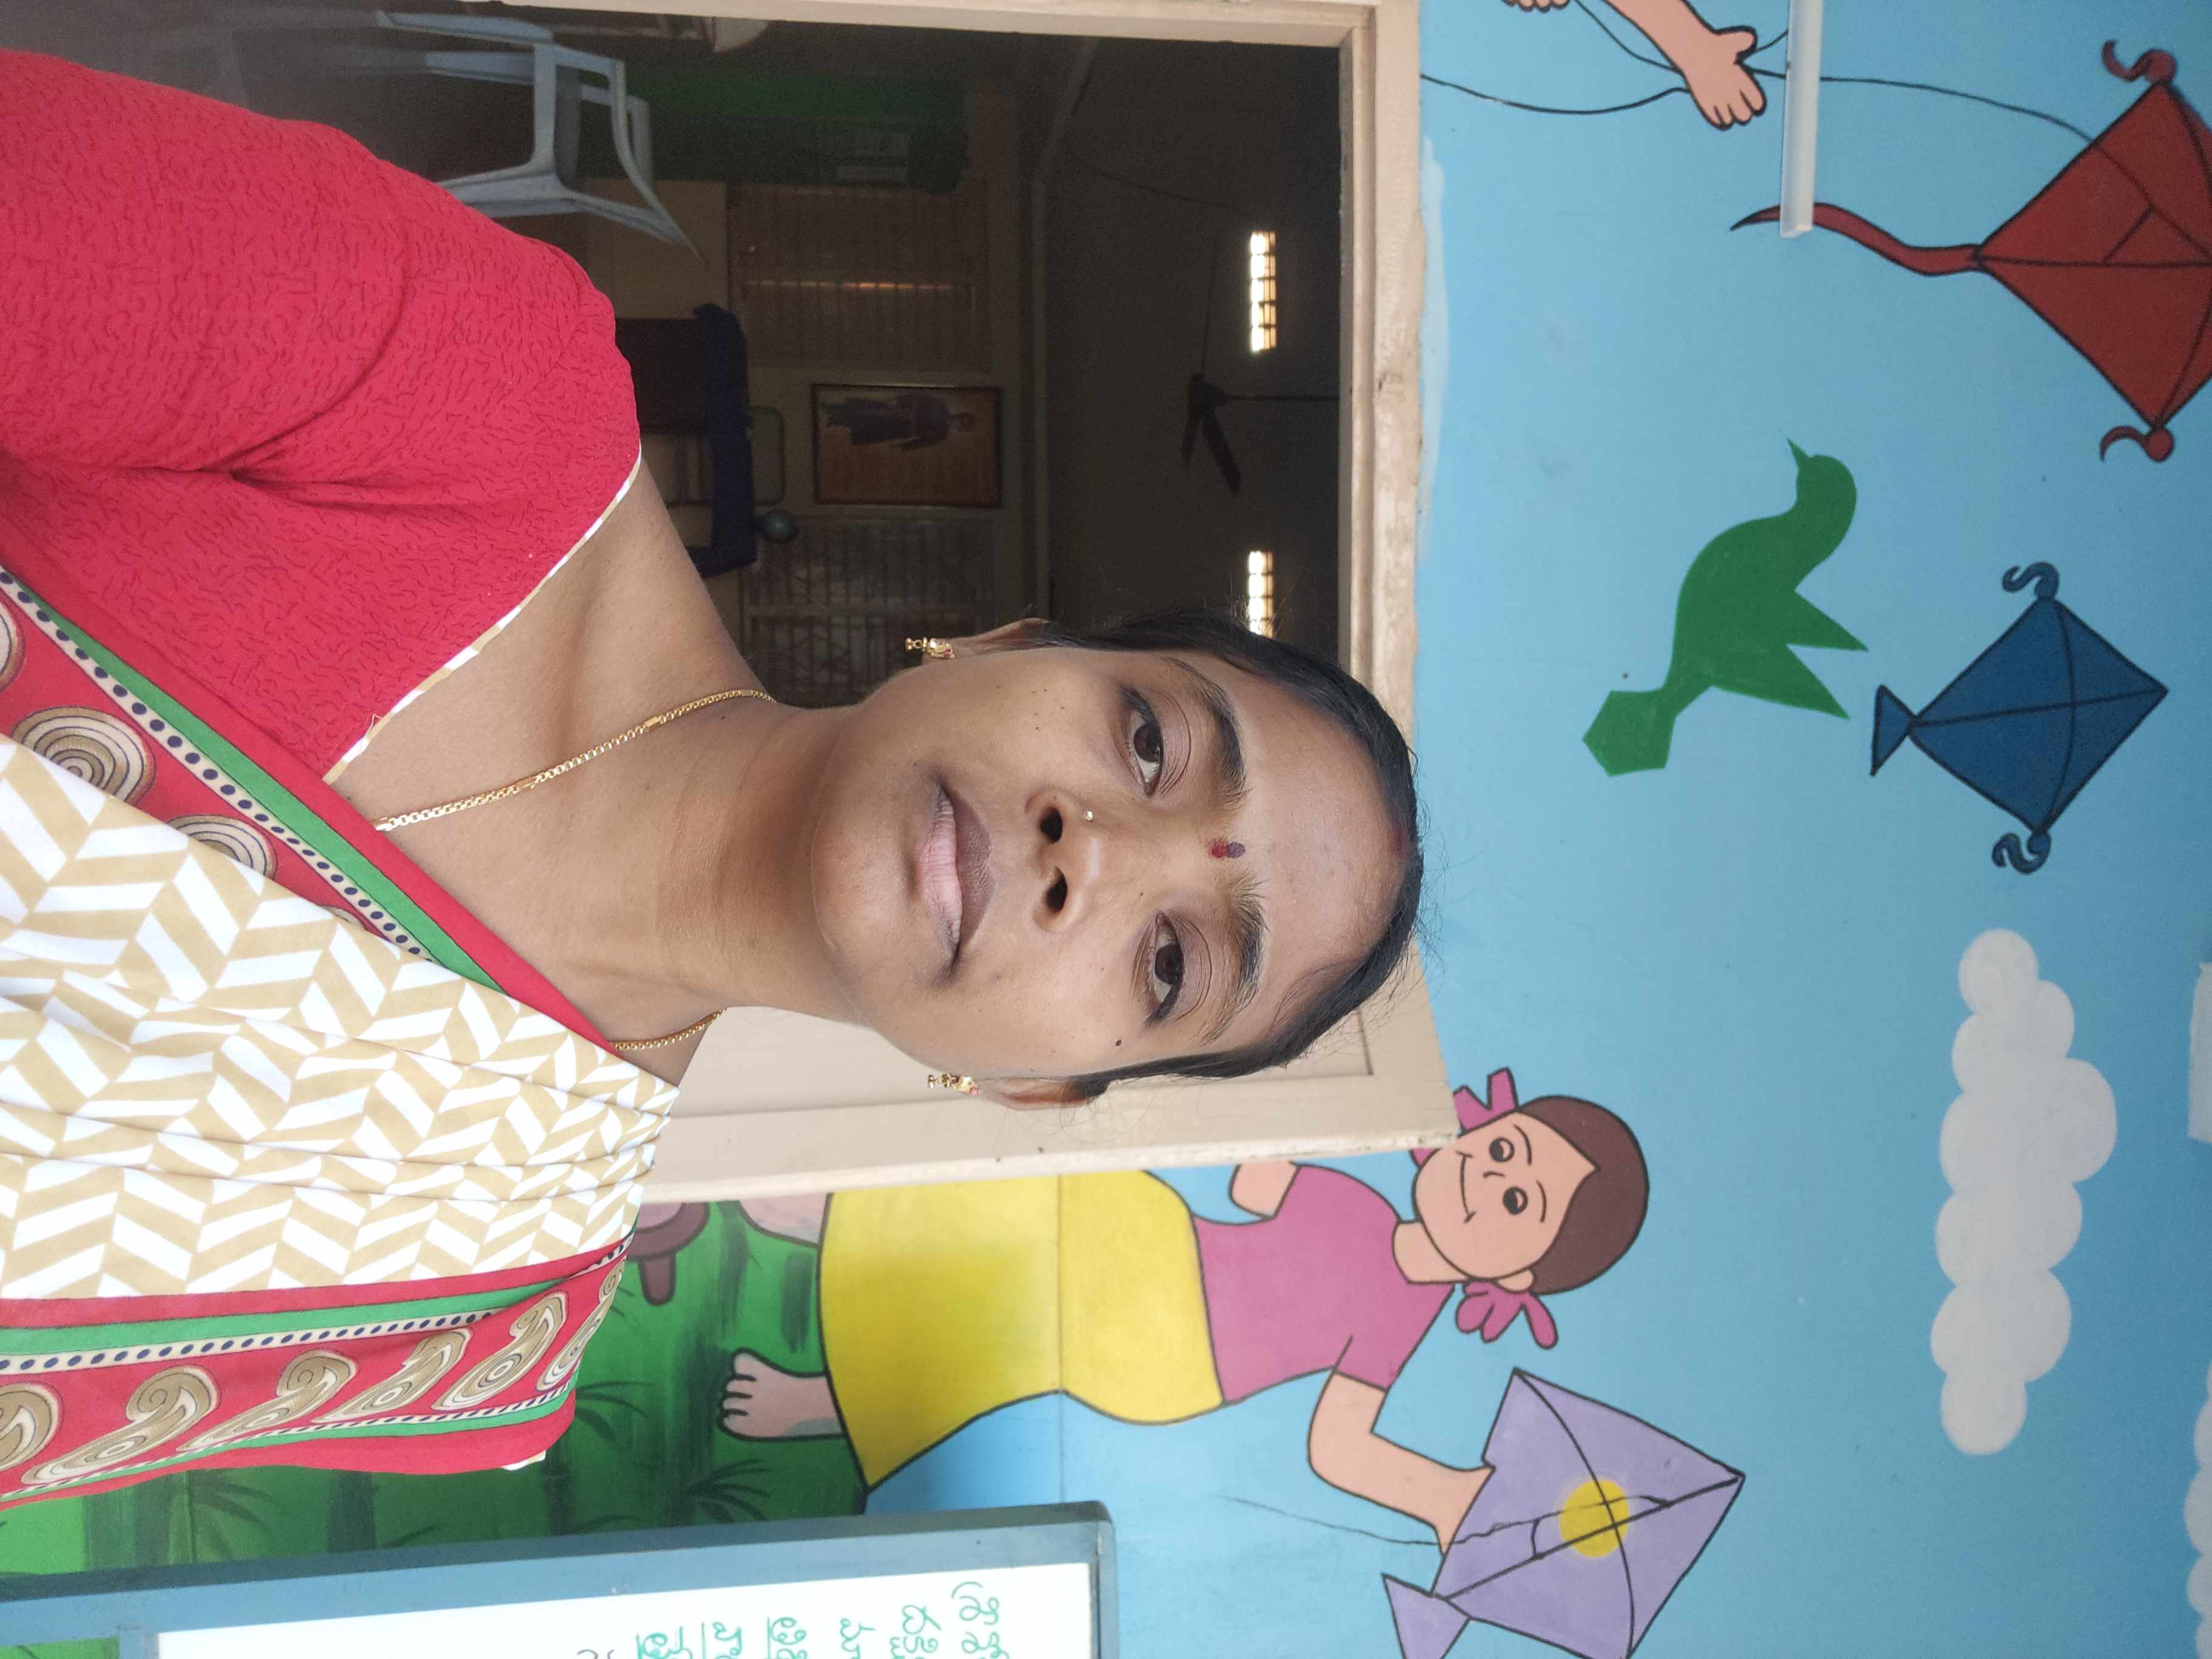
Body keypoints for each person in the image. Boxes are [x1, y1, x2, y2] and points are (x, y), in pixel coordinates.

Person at [0, 54, 1419, 1506]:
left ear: (1036, 1086)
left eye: (1173, 965)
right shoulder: (480, 394)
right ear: (1009, 641)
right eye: (1152, 743)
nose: (1096, 853)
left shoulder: (486, 1317)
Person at [723, 1070, 1646, 1551]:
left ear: (1518, 1278)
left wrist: (1441, 1496)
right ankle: (831, 1218)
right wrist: (1313, 1111)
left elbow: (1340, 1445)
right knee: (1032, 1194)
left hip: (1177, 1354)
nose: (1485, 1179)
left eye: (1519, 1201)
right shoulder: (1357, 1205)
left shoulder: (1398, 1318)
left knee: (1014, 1331)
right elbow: (1252, 1185)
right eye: (1502, 1150)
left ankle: (823, 1403)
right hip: (1167, 1243)